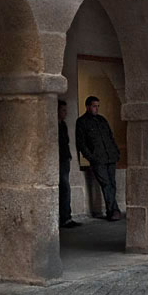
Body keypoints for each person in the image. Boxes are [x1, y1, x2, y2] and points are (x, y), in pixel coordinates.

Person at [75, 95, 123, 221]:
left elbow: (110, 137)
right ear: (87, 107)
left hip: (110, 156)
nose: (96, 109)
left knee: (112, 184)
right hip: (98, 159)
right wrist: (91, 157)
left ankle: (111, 211)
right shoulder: (82, 122)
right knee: (106, 183)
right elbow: (81, 143)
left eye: (98, 106)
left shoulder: (102, 120)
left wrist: (116, 152)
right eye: (94, 106)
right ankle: (114, 211)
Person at [58, 100, 81, 228]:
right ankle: (64, 217)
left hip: (64, 159)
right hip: (58, 160)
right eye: (63, 110)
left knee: (65, 188)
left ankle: (66, 216)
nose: (65, 113)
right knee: (64, 187)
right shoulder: (56, 126)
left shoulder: (63, 125)